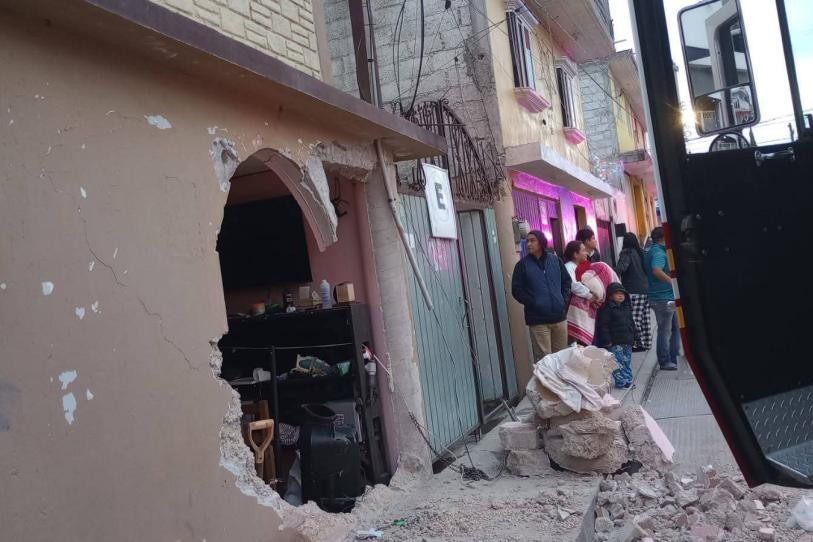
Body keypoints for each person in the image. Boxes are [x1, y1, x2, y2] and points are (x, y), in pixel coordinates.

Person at [511, 230, 572, 362]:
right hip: (538, 320)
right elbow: (516, 290)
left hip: (559, 318)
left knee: (561, 359)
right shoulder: (522, 265)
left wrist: (562, 300)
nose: (528, 244)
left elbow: (567, 281)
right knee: (544, 360)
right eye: (527, 241)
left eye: (532, 240)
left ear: (541, 242)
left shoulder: (555, 261)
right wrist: (533, 302)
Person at [645, 227, 679, 370]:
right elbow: (656, 270)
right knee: (665, 330)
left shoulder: (652, 251)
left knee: (674, 328)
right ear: (663, 238)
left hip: (661, 297)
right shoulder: (659, 253)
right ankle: (665, 361)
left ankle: (674, 357)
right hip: (663, 298)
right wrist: (672, 282)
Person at [566, 257, 620, 346]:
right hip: (582, 307)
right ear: (575, 254)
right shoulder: (570, 267)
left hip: (591, 309)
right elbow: (574, 286)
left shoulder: (589, 265)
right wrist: (590, 295)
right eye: (583, 251)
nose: (586, 254)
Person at [616, 232, 652, 352]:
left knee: (634, 318)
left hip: (633, 290)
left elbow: (622, 268)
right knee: (645, 318)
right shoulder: (641, 252)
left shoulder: (627, 253)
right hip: (645, 289)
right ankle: (646, 343)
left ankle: (637, 344)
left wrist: (613, 272)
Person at [596, 283, 636, 388]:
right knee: (617, 363)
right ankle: (621, 382)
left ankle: (628, 380)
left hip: (627, 341)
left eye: (622, 293)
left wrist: (635, 337)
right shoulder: (607, 310)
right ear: (610, 296)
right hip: (615, 342)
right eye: (617, 293)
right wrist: (607, 340)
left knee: (627, 361)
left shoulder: (626, 308)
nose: (620, 295)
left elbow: (631, 323)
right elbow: (603, 326)